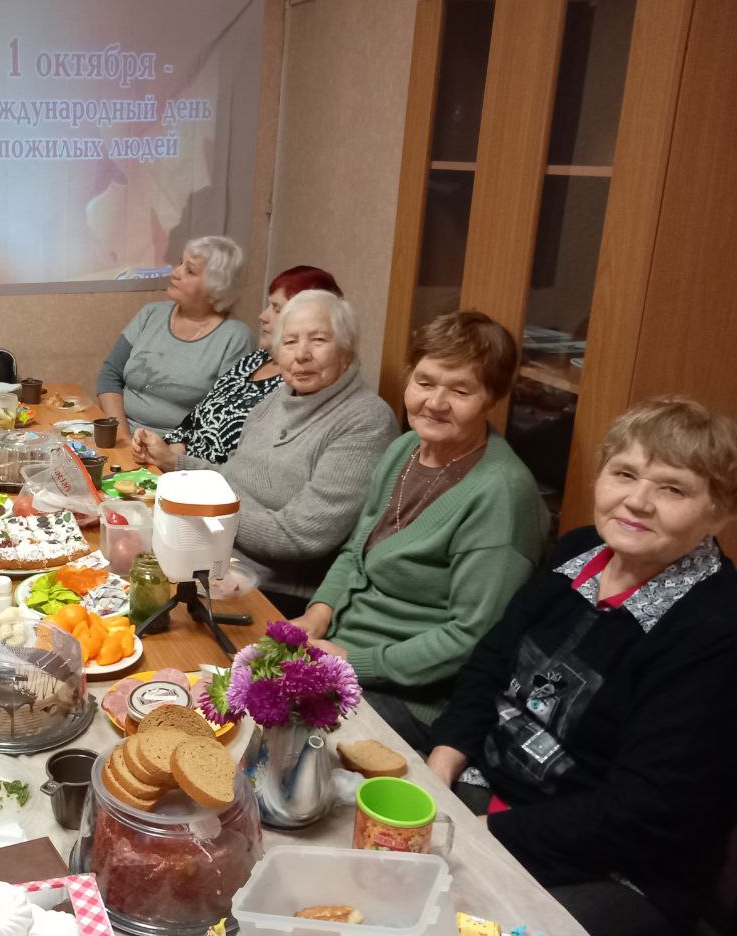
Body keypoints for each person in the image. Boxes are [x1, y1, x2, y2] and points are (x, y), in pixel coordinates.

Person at [428, 397, 737, 936]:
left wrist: (480, 838)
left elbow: (640, 812)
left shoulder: (717, 629)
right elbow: (491, 662)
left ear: (719, 513)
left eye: (672, 488)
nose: (637, 501)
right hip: (485, 788)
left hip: (612, 868)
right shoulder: (581, 549)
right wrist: (439, 770)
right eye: (624, 474)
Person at [293, 310, 548, 753]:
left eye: (461, 390)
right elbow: (356, 552)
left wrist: (354, 661)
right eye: (426, 382)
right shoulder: (405, 448)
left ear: (492, 398)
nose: (435, 402)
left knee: (274, 741)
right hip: (338, 650)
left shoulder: (502, 495)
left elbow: (470, 638)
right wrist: (316, 614)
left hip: (412, 698)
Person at [143, 290, 396, 615]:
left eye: (318, 340)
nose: (301, 355)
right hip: (213, 558)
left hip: (273, 593)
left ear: (347, 350)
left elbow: (300, 537)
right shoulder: (279, 396)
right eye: (290, 342)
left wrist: (205, 511)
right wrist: (176, 463)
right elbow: (231, 479)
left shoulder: (365, 420)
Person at [133, 265, 342, 467]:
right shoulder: (257, 359)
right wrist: (165, 453)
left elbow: (245, 470)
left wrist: (173, 462)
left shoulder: (297, 385)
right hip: (179, 473)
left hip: (214, 490)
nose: (263, 316)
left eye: (277, 309)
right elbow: (196, 419)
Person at [97, 236, 253, 442]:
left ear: (217, 286)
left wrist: (166, 451)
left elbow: (223, 418)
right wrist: (123, 437)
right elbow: (110, 375)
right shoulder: (151, 314)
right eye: (180, 263)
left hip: (174, 450)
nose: (175, 273)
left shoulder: (235, 337)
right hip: (121, 435)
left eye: (189, 270)